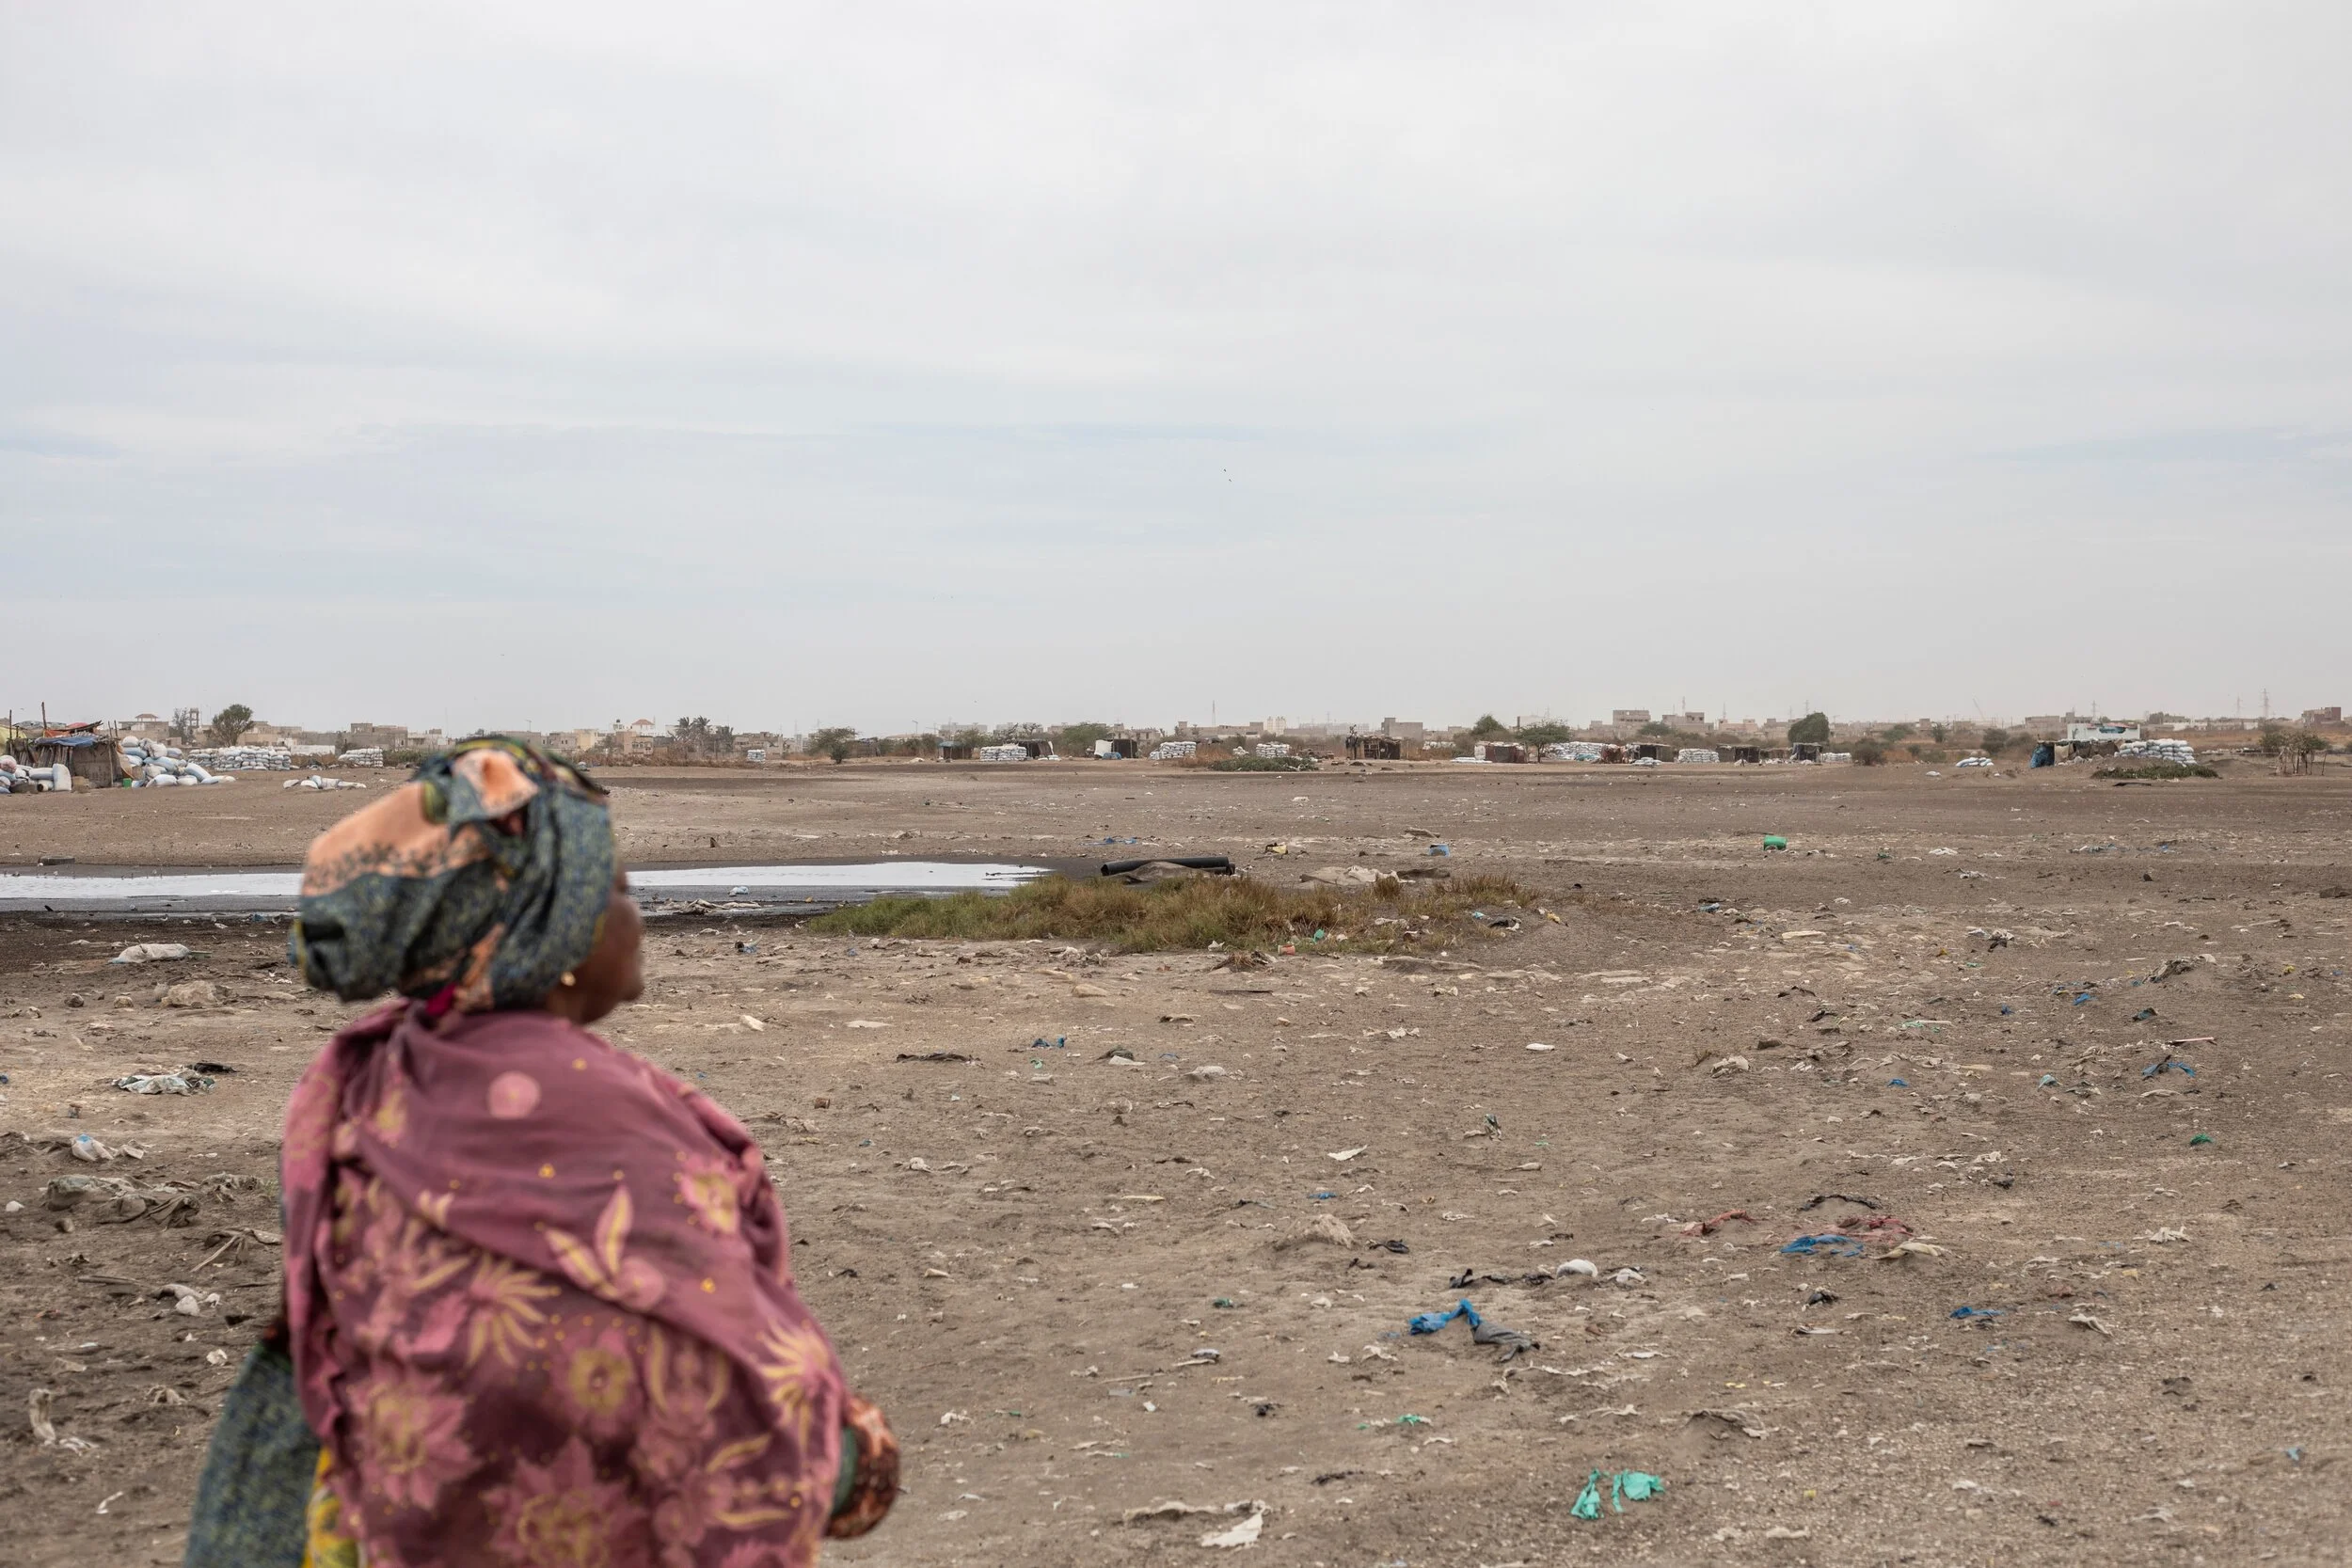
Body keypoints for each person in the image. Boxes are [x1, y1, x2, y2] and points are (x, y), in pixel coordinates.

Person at [184, 737, 894, 1568]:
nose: (637, 914)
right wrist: (861, 1457)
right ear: (552, 932)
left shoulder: (361, 1089)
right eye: (618, 888)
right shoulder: (621, 1128)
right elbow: (734, 1402)